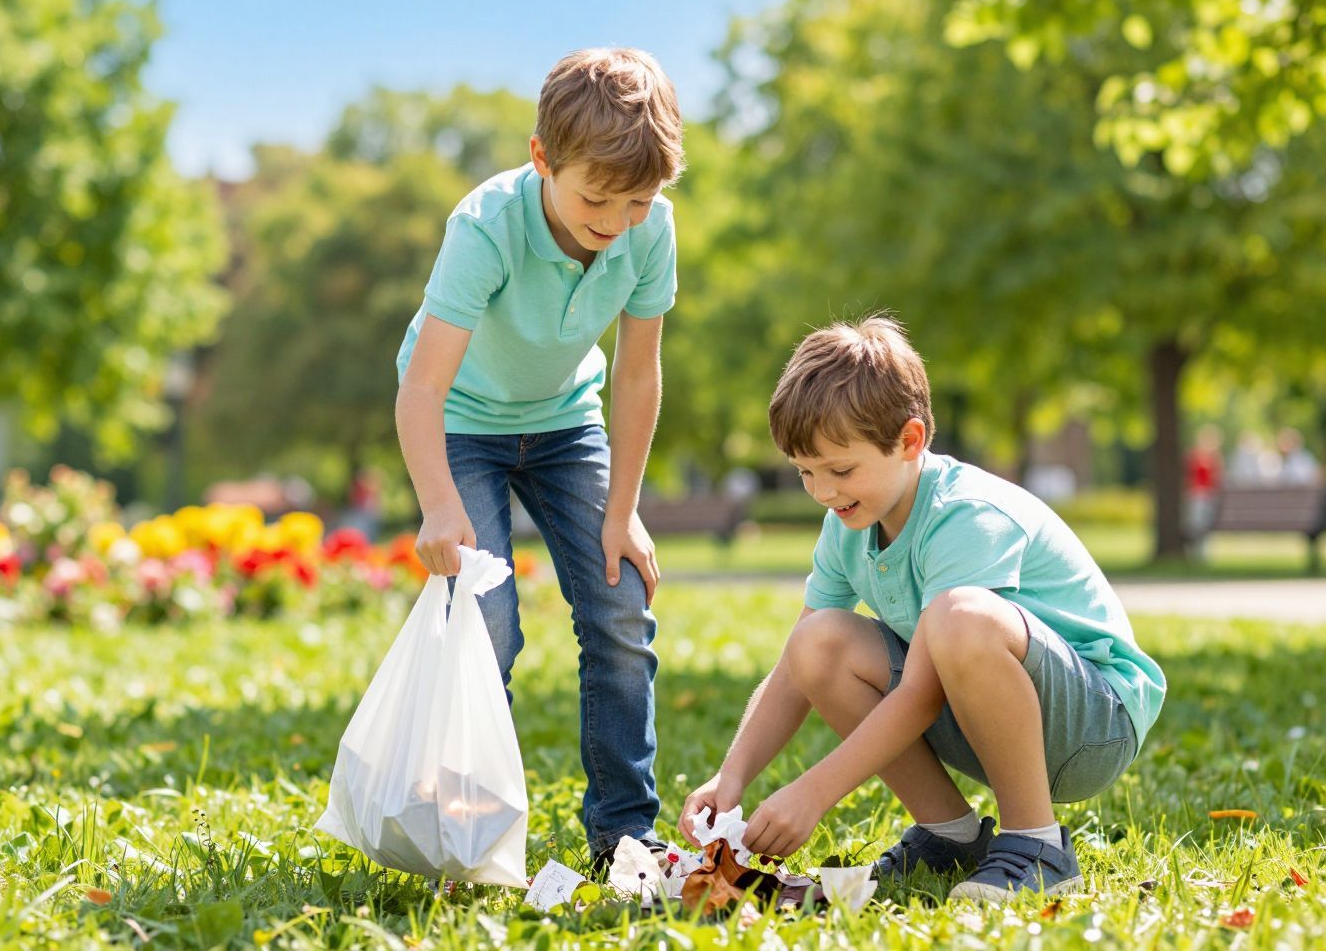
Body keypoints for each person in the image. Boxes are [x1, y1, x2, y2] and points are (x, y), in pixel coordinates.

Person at [679, 317, 1166, 902]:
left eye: (840, 470)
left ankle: (1038, 846)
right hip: (986, 714)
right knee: (817, 643)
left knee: (960, 618)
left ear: (910, 441)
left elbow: (921, 693)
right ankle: (950, 836)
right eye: (805, 472)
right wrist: (731, 777)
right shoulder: (849, 521)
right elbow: (795, 668)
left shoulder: (966, 515)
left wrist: (814, 791)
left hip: (1090, 727)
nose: (823, 492)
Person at [395, 48, 683, 868]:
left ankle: (625, 833)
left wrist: (622, 513)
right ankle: (470, 829)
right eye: (596, 195)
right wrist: (441, 505)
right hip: (462, 422)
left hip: (564, 422)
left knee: (620, 605)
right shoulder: (485, 228)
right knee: (486, 623)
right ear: (541, 159)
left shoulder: (649, 229)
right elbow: (421, 391)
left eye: (637, 200)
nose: (616, 218)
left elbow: (636, 375)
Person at [1184, 423, 1224, 556]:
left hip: (1205, 497)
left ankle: (1201, 551)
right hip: (1198, 496)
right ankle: (1196, 550)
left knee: (1201, 521)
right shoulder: (1197, 456)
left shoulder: (1212, 458)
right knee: (1197, 522)